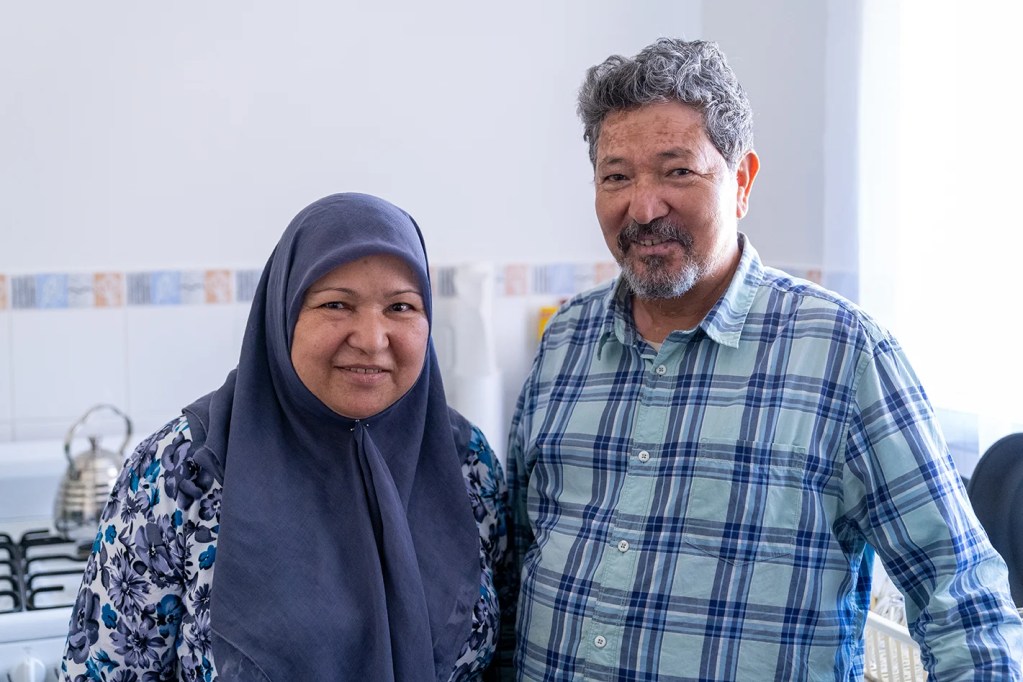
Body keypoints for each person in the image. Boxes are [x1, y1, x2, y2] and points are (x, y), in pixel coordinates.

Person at [505, 38, 1023, 680]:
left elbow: (963, 602)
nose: (643, 206)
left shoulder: (844, 353)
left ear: (742, 181)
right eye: (617, 176)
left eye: (677, 171)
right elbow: (516, 564)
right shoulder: (565, 340)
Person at [61, 193, 513, 681]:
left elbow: (507, 654)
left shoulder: (466, 463)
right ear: (284, 312)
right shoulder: (183, 471)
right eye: (336, 304)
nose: (371, 338)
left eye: (400, 306)